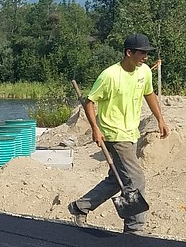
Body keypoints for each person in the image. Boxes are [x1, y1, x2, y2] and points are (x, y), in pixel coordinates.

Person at [68, 33, 169, 233]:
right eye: (142, 53)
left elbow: (149, 93)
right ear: (128, 52)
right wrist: (95, 129)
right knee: (136, 179)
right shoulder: (110, 76)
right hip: (114, 134)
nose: (145, 57)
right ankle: (134, 227)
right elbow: (90, 101)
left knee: (117, 179)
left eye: (147, 54)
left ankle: (81, 206)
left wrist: (160, 118)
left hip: (132, 133)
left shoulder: (145, 72)